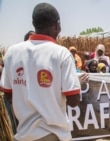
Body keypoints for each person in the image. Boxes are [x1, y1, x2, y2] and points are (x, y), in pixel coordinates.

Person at [0, 3, 82, 141]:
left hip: (23, 135)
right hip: (54, 135)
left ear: (34, 24)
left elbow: (8, 93)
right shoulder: (61, 54)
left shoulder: (12, 53)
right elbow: (74, 101)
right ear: (57, 26)